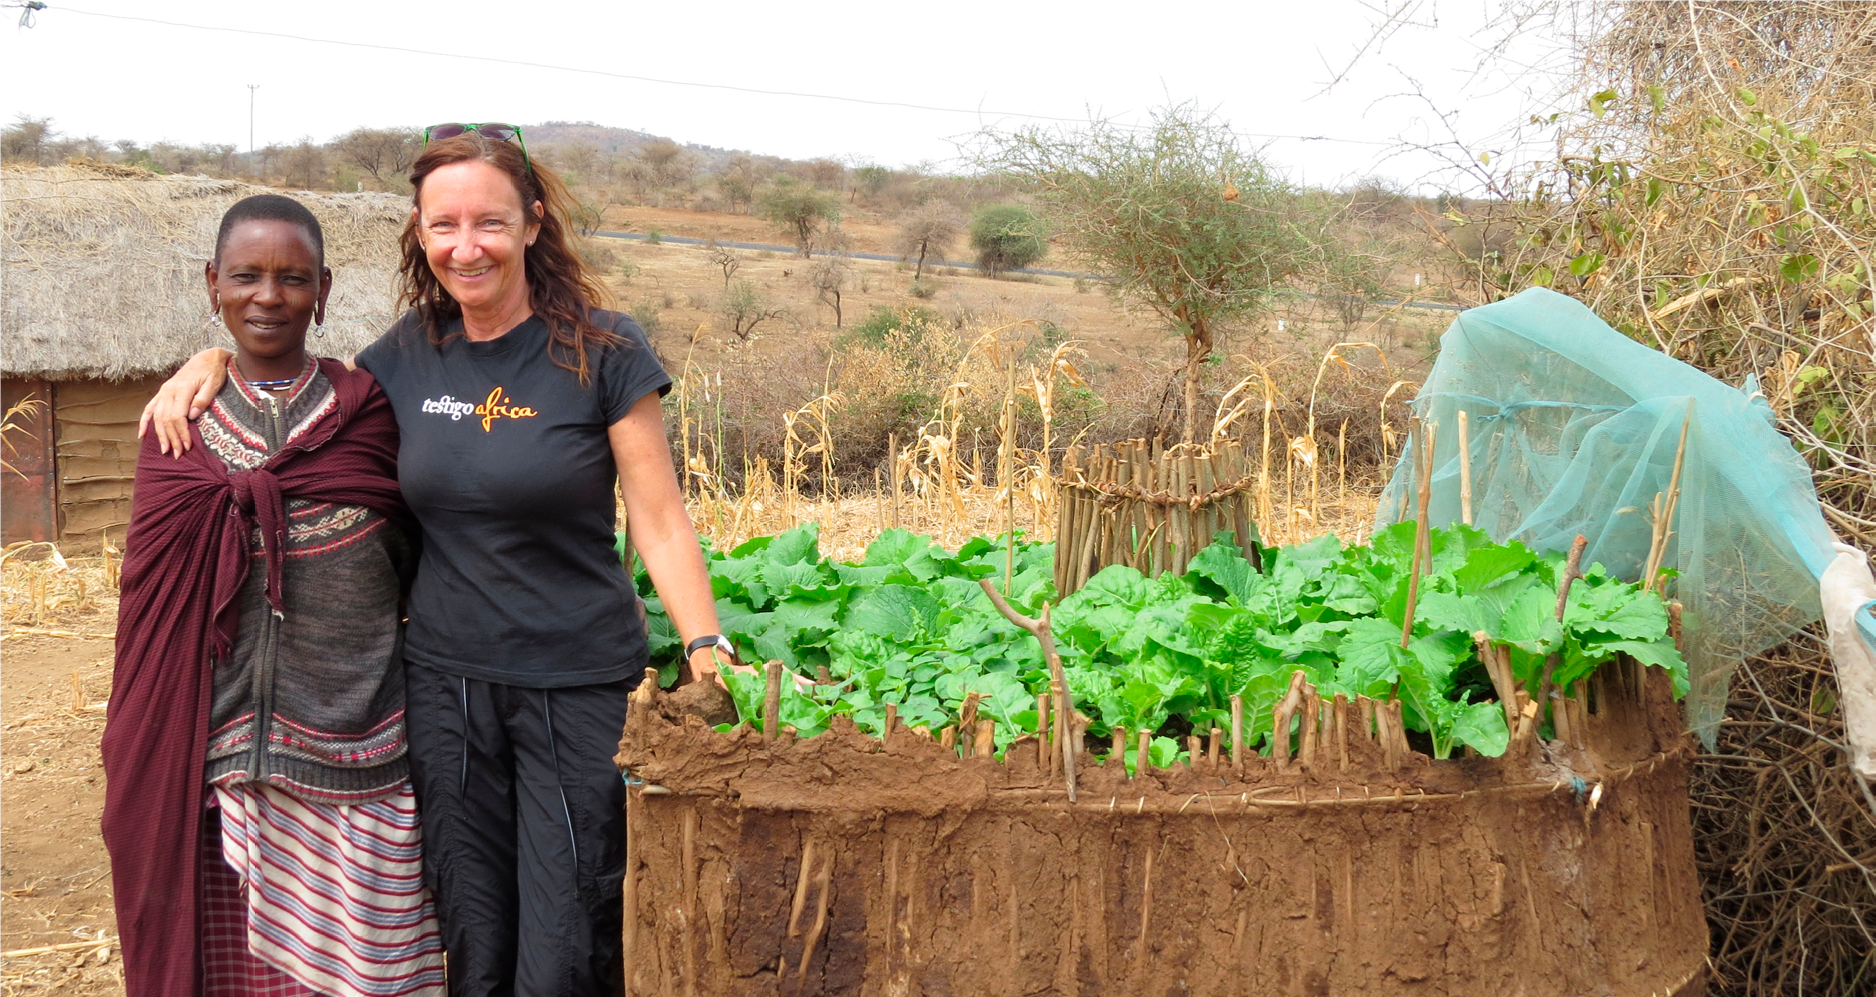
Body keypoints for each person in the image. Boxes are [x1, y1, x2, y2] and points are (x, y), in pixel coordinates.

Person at [142, 126, 731, 997]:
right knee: (471, 927)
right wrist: (215, 359)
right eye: (443, 225)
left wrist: (704, 642)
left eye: (488, 222)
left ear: (532, 224)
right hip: (447, 686)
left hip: (579, 682)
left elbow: (661, 520)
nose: (467, 245)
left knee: (569, 931)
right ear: (420, 234)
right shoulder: (401, 359)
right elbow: (305, 401)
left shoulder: (603, 352)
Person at [106, 194, 444, 997]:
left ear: (323, 291)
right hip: (212, 760)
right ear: (212, 285)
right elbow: (146, 609)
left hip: (356, 762)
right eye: (246, 275)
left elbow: (420, 561)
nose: (268, 295)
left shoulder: (373, 419)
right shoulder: (177, 427)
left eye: (292, 278)